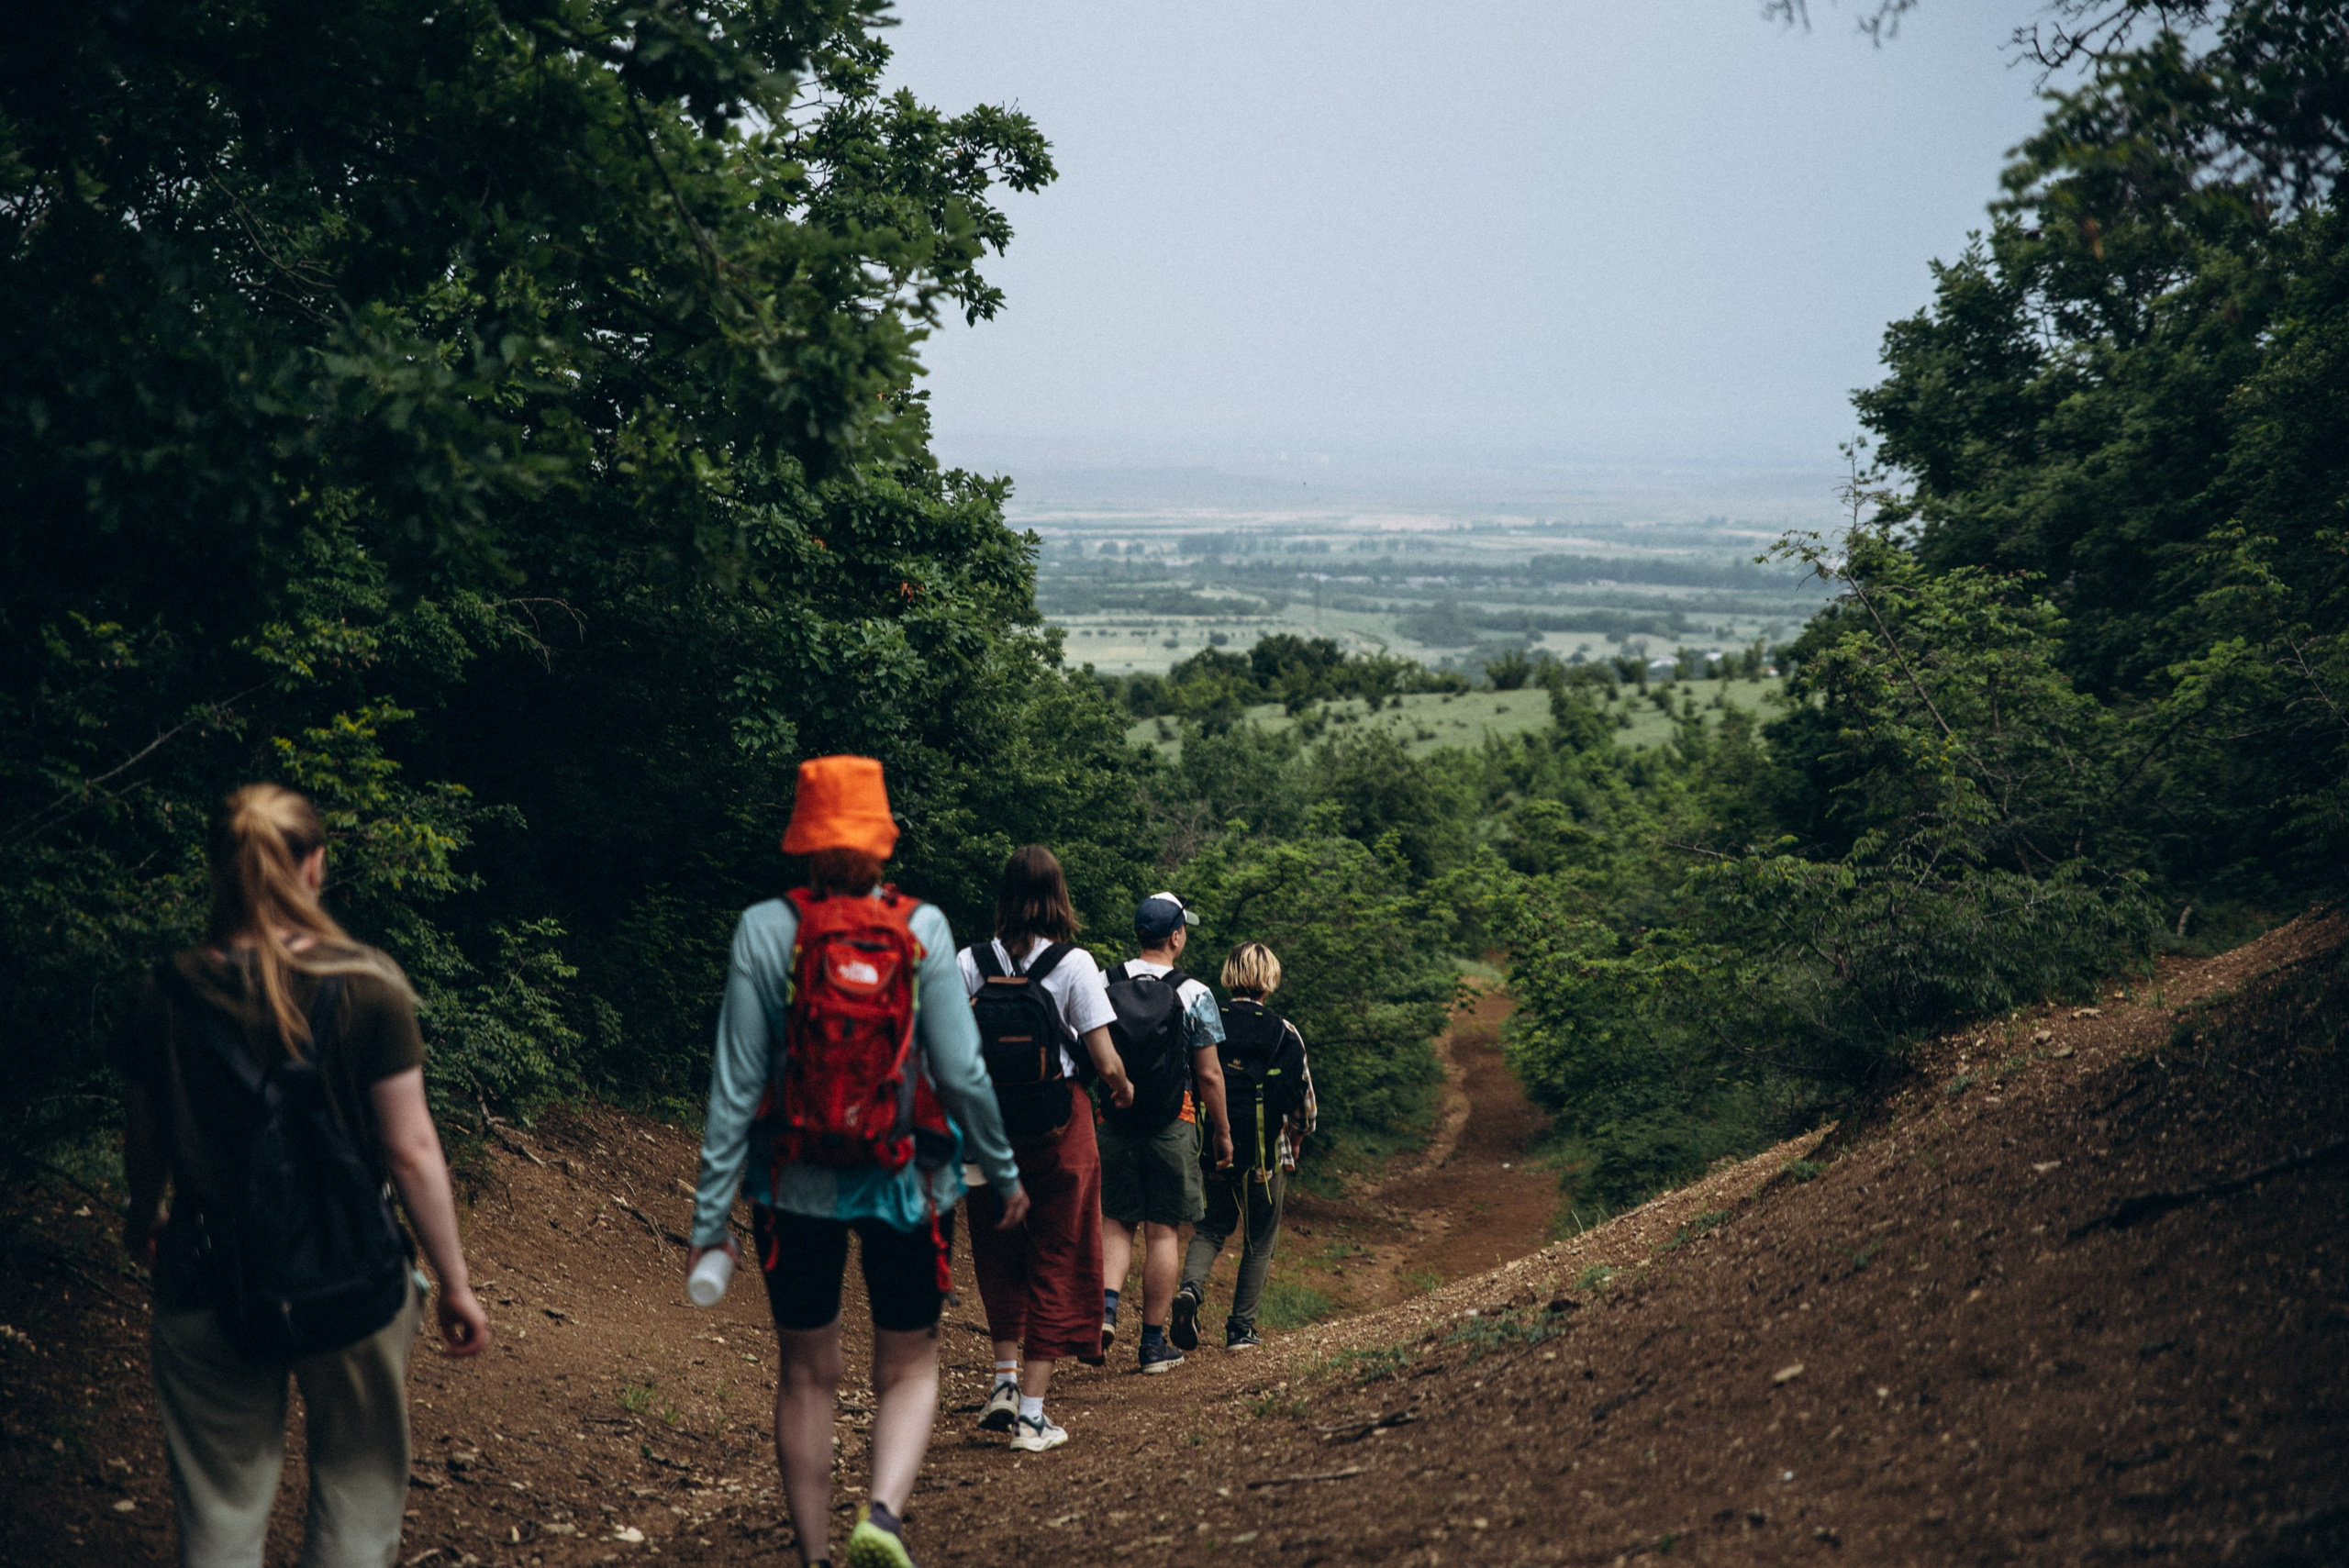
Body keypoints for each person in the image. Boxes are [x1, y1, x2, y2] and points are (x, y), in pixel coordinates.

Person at [117, 783, 490, 1568]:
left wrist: (144, 1213)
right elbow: (412, 1148)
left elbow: (146, 1138)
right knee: (358, 1493)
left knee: (220, 1513)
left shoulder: (166, 992)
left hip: (210, 1273)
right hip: (352, 1269)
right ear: (315, 867)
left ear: (218, 870)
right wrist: (454, 1281)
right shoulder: (369, 984)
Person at [686, 756, 1027, 1568]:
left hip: (791, 1184)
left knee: (807, 1374)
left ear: (802, 841)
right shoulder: (923, 928)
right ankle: (881, 1513)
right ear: (882, 841)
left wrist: (709, 1223)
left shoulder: (764, 929)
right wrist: (1003, 1174)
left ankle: (813, 1556)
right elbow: (964, 1073)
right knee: (908, 1364)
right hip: (914, 1185)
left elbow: (734, 1090)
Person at [956, 847, 1134, 1452]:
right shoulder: (1075, 963)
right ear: (1059, 895)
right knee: (1058, 1254)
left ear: (1004, 894)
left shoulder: (969, 962)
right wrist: (1122, 1088)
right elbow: (1106, 1059)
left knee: (998, 1250)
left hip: (986, 1129)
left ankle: (1003, 1381)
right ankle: (1033, 1415)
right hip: (1058, 1127)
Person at [1096, 892, 1232, 1374]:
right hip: (1174, 1123)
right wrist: (1222, 1133)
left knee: (1116, 1221)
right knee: (1162, 1232)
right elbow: (1211, 1074)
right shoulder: (1195, 993)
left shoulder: (1102, 981)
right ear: (1175, 937)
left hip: (1113, 1119)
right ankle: (1153, 1347)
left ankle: (1106, 1311)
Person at [1172, 942, 1317, 1354]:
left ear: (1228, 976)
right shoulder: (1284, 1032)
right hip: (1266, 1156)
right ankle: (1240, 1329)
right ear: (1269, 980)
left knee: (1211, 1228)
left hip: (1211, 1148)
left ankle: (1190, 1292)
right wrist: (1298, 1136)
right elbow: (1304, 1100)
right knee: (1260, 1239)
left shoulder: (1203, 1019)